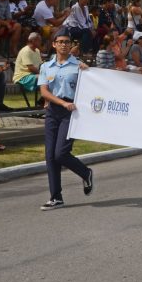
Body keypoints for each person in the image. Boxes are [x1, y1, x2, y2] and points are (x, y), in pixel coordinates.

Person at [38, 28, 93, 210]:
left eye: (67, 42)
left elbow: (91, 86)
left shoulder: (79, 66)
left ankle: (85, 173)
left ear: (71, 45)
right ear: (54, 44)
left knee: (60, 153)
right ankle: (56, 197)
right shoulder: (46, 66)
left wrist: (88, 72)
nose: (64, 45)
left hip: (71, 112)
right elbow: (44, 91)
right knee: (50, 156)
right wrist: (60, 103)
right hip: (53, 111)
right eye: (60, 42)